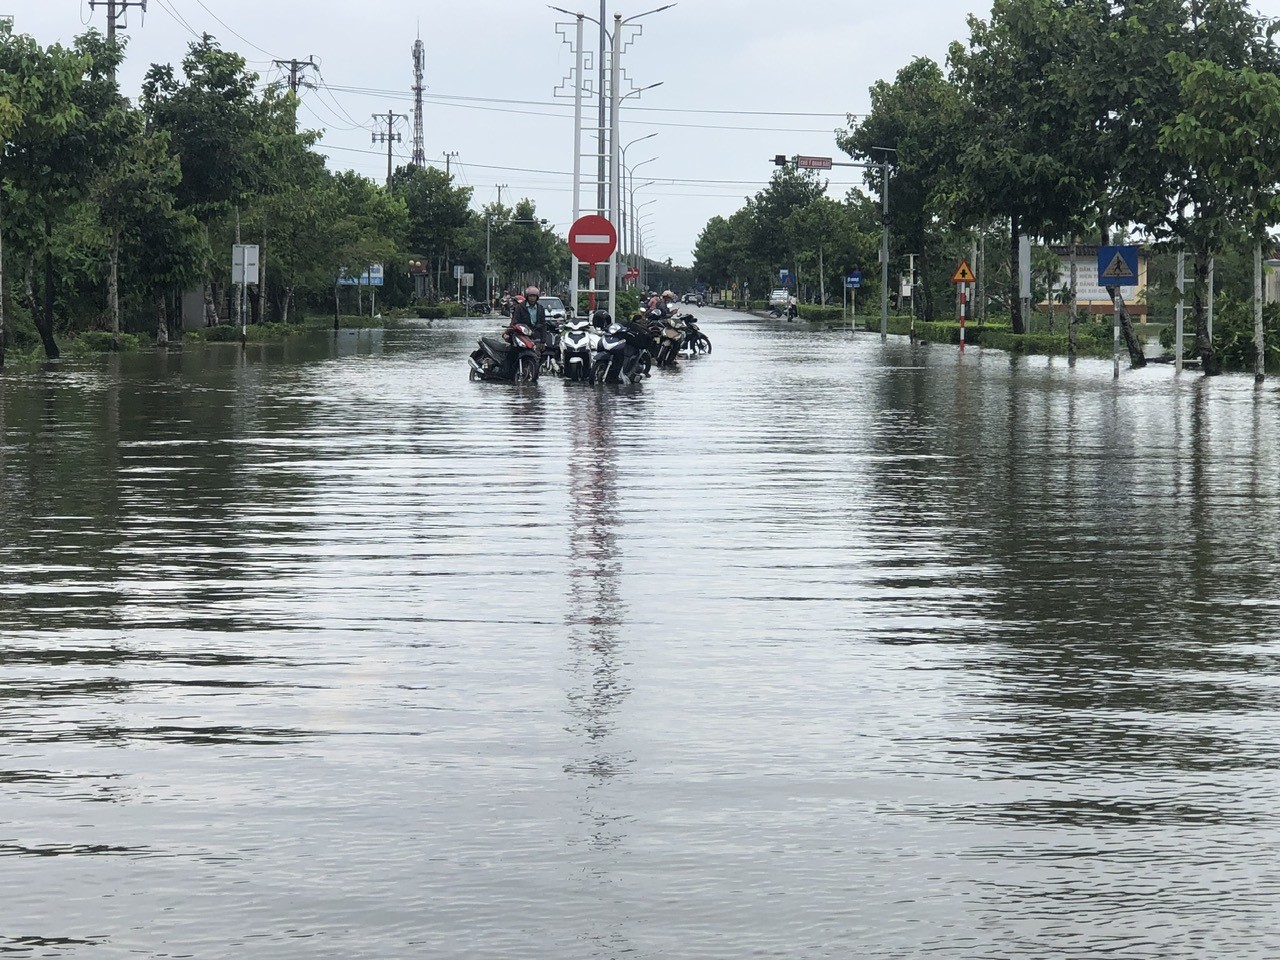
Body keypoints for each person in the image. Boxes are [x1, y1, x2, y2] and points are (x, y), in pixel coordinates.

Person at [506, 285, 548, 377]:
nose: (532, 298)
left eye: (534, 296)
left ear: (537, 297)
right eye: (530, 296)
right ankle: (508, 372)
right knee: (513, 352)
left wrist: (543, 340)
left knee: (538, 356)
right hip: (521, 335)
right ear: (527, 297)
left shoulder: (540, 308)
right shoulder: (521, 307)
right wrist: (509, 332)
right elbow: (514, 321)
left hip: (535, 336)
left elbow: (543, 325)